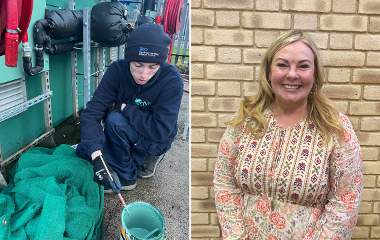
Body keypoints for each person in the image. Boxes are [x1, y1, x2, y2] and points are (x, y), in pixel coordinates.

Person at [214, 30, 362, 239]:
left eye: (303, 66)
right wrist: (236, 235)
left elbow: (346, 199)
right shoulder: (247, 119)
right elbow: (224, 180)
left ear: (315, 74)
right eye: (282, 65)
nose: (292, 74)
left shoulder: (336, 128)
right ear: (268, 72)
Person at [76, 23, 184, 193]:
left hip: (155, 137)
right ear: (129, 59)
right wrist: (97, 159)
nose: (143, 75)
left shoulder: (171, 80)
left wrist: (126, 108)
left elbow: (161, 130)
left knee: (115, 121)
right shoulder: (117, 70)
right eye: (138, 64)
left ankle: (127, 176)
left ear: (160, 65)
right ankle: (131, 156)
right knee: (85, 150)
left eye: (152, 67)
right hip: (130, 129)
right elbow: (92, 113)